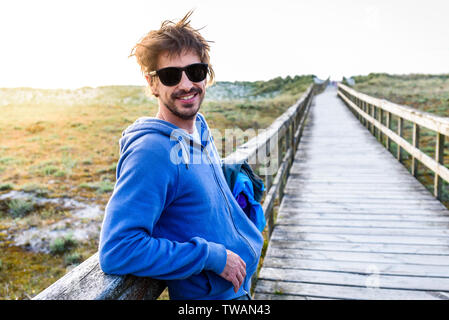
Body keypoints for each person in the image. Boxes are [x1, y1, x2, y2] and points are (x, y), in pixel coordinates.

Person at [98, 11, 264, 300]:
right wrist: (211, 256)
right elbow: (118, 248)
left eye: (196, 71)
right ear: (152, 83)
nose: (186, 84)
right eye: (171, 75)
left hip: (239, 289)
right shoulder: (151, 152)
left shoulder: (199, 127)